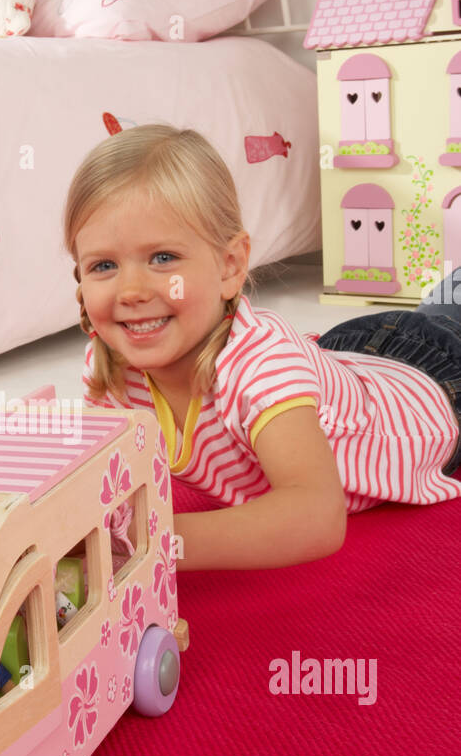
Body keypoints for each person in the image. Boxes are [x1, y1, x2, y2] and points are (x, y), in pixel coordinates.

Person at [67, 124, 461, 571]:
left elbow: (316, 517)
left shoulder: (261, 369)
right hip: (341, 355)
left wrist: (154, 541)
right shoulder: (109, 366)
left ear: (230, 266)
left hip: (435, 383)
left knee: (447, 311)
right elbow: (99, 487)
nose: (132, 290)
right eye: (104, 265)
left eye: (163, 258)